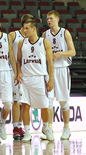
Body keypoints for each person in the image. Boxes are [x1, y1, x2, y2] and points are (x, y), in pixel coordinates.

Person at [16, 19, 54, 142]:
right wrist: (19, 72)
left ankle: (46, 128)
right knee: (25, 106)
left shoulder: (45, 42)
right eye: (23, 28)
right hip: (26, 79)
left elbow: (50, 62)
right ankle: (27, 132)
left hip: (40, 77)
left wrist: (51, 79)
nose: (24, 30)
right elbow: (18, 60)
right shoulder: (22, 43)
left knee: (44, 106)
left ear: (34, 29)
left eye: (27, 28)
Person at [41, 10, 76, 140]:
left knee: (63, 102)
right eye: (47, 18)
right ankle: (49, 130)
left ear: (57, 19)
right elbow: (42, 52)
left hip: (62, 69)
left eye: (50, 18)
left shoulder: (65, 33)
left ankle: (66, 128)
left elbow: (73, 52)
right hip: (49, 70)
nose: (48, 20)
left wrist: (60, 53)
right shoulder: (45, 34)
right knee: (48, 101)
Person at [8, 14, 34, 140]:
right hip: (14, 71)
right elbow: (11, 55)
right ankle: (15, 127)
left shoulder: (31, 38)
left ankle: (20, 126)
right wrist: (16, 71)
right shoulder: (13, 35)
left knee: (23, 102)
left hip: (26, 73)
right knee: (15, 100)